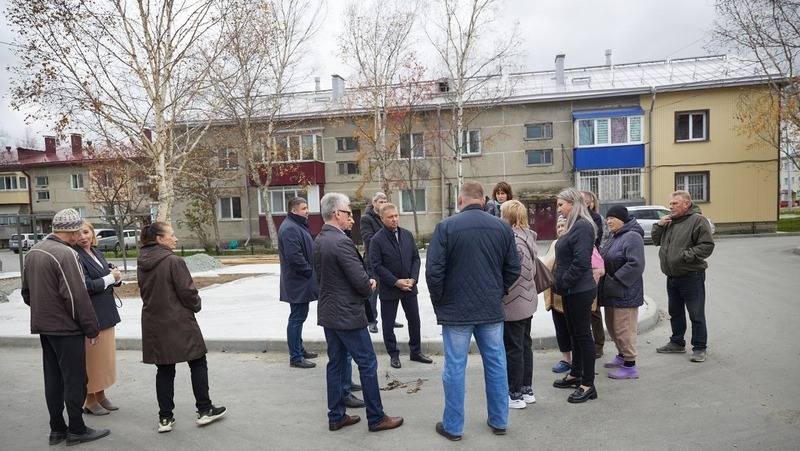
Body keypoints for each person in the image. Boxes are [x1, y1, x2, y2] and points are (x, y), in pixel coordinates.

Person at [426, 181, 521, 441]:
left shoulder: (445, 227)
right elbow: (513, 268)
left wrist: (441, 302)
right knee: (496, 363)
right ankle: (499, 420)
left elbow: (433, 272)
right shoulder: (502, 227)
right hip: (490, 308)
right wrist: (497, 291)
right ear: (483, 200)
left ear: (460, 200)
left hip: (456, 311)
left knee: (455, 367)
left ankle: (453, 427)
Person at [313, 192, 403, 433]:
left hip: (329, 312)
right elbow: (360, 281)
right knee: (367, 363)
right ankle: (376, 417)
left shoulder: (320, 239)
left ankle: (336, 416)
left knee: (335, 364)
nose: (352, 218)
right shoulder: (341, 242)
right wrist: (370, 284)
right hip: (347, 315)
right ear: (337, 214)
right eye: (348, 213)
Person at [21, 208, 110, 446]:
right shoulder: (66, 254)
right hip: (67, 328)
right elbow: (76, 296)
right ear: (70, 232)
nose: (79, 236)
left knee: (53, 379)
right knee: (75, 379)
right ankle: (77, 429)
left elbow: (27, 294)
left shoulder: (34, 251)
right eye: (77, 231)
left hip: (44, 327)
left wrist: (45, 311)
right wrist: (91, 328)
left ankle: (57, 429)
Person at [137, 222, 227, 433]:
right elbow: (187, 292)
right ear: (159, 239)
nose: (176, 239)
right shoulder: (173, 261)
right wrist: (196, 305)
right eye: (172, 235)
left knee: (164, 369)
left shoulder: (142, 261)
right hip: (179, 320)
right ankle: (204, 409)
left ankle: (165, 418)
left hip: (154, 321)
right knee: (198, 361)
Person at [651, 190, 715, 363]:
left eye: (675, 203)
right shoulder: (670, 221)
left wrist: (686, 256)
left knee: (696, 313)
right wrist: (659, 225)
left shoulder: (697, 220)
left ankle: (700, 347)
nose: (671, 207)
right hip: (672, 276)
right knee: (675, 312)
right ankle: (677, 342)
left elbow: (707, 245)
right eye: (670, 204)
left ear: (687, 204)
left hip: (691, 275)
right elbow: (656, 241)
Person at [368, 203, 432, 369]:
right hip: (390, 288)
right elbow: (376, 265)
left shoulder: (407, 235)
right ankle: (393, 354)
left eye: (396, 216)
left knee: (414, 320)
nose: (395, 219)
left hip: (409, 287)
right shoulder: (377, 240)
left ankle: (415, 351)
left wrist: (413, 279)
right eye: (390, 217)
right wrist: (396, 282)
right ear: (382, 218)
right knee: (388, 324)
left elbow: (415, 259)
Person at [552, 188, 599, 404]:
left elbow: (581, 262)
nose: (558, 209)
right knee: (573, 333)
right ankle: (576, 373)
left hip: (579, 290)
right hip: (570, 290)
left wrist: (564, 282)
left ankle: (588, 384)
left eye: (561, 204)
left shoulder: (583, 226)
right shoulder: (573, 225)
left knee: (583, 336)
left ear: (572, 203)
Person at [74, 219, 122, 415]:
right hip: (92, 315)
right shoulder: (75, 256)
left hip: (106, 313)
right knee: (93, 361)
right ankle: (89, 400)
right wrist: (110, 278)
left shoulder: (96, 252)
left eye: (86, 232)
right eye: (78, 233)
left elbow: (105, 278)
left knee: (104, 360)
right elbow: (84, 285)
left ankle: (100, 395)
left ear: (92, 233)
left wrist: (115, 277)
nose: (83, 237)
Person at [598, 206, 646, 379]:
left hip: (625, 292)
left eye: (612, 218)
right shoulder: (615, 236)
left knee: (624, 328)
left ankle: (630, 366)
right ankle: (621, 355)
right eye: (607, 218)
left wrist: (615, 279)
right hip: (612, 291)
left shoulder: (632, 236)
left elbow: (636, 264)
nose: (608, 221)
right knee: (613, 327)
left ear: (622, 219)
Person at [499, 200, 538, 409]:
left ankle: (515, 394)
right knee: (524, 345)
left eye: (501, 214)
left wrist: (499, 289)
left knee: (514, 348)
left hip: (513, 301)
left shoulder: (513, 240)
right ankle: (526, 389)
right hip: (527, 300)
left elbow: (513, 272)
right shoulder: (528, 236)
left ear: (509, 217)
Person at [278, 197, 319, 369]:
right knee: (296, 318)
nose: (307, 211)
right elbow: (294, 257)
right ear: (294, 210)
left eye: (306, 207)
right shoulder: (289, 228)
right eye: (303, 208)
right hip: (297, 282)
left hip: (301, 281)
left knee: (300, 316)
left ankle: (299, 350)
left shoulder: (297, 225)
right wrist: (309, 272)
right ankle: (295, 356)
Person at [543, 217, 572, 374]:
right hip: (554, 296)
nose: (560, 229)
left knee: (573, 329)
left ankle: (577, 361)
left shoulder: (574, 242)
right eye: (558, 226)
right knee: (560, 329)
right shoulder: (554, 244)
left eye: (563, 226)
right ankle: (566, 359)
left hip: (569, 294)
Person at [581, 190, 605, 358]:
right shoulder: (574, 217)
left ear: (589, 203)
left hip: (592, 265)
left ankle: (598, 344)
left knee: (594, 309)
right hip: (582, 265)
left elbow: (595, 240)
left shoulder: (594, 218)